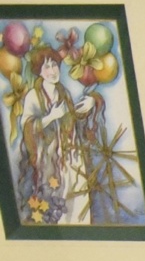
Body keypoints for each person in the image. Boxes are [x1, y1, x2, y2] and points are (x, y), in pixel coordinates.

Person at [13, 41, 102, 224]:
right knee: (56, 203)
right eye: (47, 67)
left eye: (54, 65)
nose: (52, 70)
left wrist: (89, 105)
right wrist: (51, 117)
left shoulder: (64, 92)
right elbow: (27, 127)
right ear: (39, 71)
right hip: (49, 161)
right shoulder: (33, 96)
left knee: (78, 199)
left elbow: (73, 121)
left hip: (71, 157)